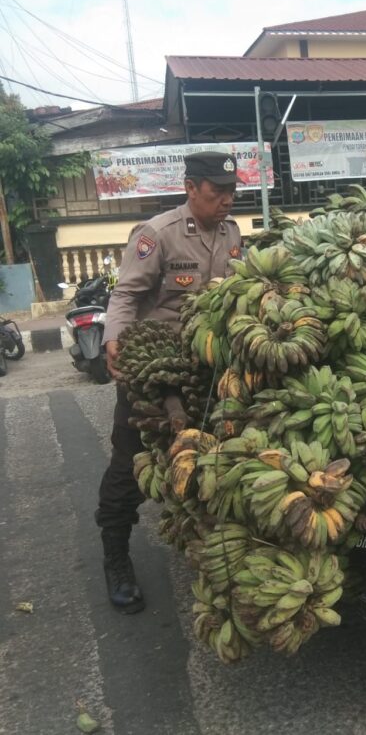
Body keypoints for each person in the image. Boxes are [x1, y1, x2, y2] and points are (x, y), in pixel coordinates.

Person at [97, 151, 243, 613]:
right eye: (216, 192)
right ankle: (116, 557)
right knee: (131, 463)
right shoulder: (155, 235)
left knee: (209, 456)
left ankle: (210, 548)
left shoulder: (232, 234)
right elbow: (125, 295)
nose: (226, 201)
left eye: (231, 192)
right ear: (190, 188)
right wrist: (114, 340)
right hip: (154, 370)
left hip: (208, 372)